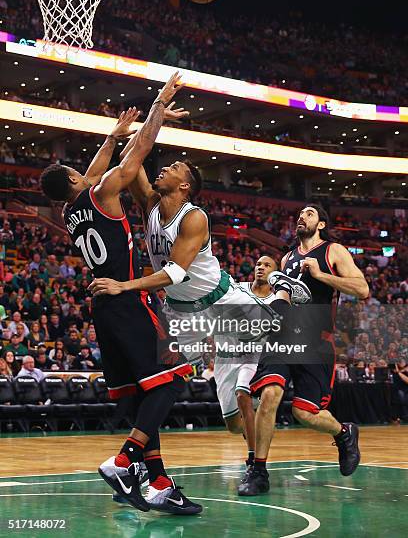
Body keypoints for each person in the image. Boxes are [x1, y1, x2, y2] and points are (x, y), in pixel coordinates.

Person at [89, 142, 310, 510]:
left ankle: (282, 286)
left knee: (278, 323)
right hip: (181, 313)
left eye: (174, 167)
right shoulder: (151, 205)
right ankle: (155, 479)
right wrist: (127, 132)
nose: (165, 168)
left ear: (185, 186)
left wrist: (124, 285)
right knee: (168, 388)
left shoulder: (194, 217)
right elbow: (134, 162)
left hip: (222, 300)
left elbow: (174, 271)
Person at [41, 73, 201, 515]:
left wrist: (111, 136)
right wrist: (156, 109)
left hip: (102, 309)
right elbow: (139, 155)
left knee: (141, 397)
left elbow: (95, 172)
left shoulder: (74, 209)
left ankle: (161, 482)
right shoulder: (101, 192)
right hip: (127, 300)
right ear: (76, 178)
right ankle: (124, 461)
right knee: (175, 378)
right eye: (79, 171)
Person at [239, 204, 369, 496]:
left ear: (321, 224)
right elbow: (285, 294)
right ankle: (257, 470)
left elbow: (362, 289)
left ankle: (343, 433)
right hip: (285, 337)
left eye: (309, 213)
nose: (302, 217)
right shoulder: (287, 258)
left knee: (305, 413)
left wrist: (321, 275)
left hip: (316, 339)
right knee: (270, 393)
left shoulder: (333, 251)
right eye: (300, 214)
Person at [214, 255, 277, 489]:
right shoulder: (236, 289)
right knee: (232, 426)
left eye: (267, 265)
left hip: (253, 356)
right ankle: (255, 431)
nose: (261, 267)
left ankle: (253, 460)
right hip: (225, 358)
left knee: (243, 394)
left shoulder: (275, 301)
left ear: (275, 274)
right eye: (259, 264)